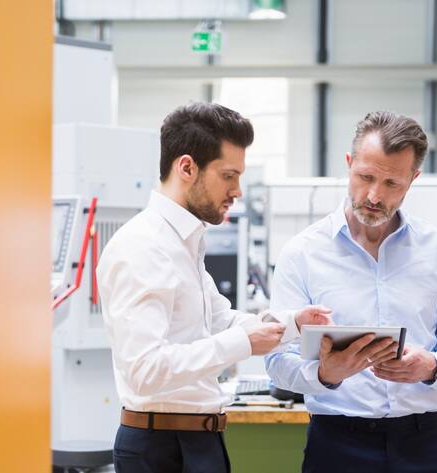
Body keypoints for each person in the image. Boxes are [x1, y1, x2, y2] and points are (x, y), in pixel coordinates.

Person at [97, 102, 332, 473]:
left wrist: (292, 324)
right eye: (228, 175)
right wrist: (243, 344)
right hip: (161, 448)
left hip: (199, 439)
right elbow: (144, 368)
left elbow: (221, 320)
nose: (237, 190)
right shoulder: (143, 246)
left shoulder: (184, 242)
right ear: (187, 167)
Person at [265, 111, 437, 473]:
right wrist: (325, 374)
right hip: (336, 445)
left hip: (424, 443)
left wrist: (432, 366)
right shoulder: (302, 253)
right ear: (349, 164)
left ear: (413, 179)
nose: (374, 196)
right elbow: (277, 361)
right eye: (365, 177)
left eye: (392, 183)